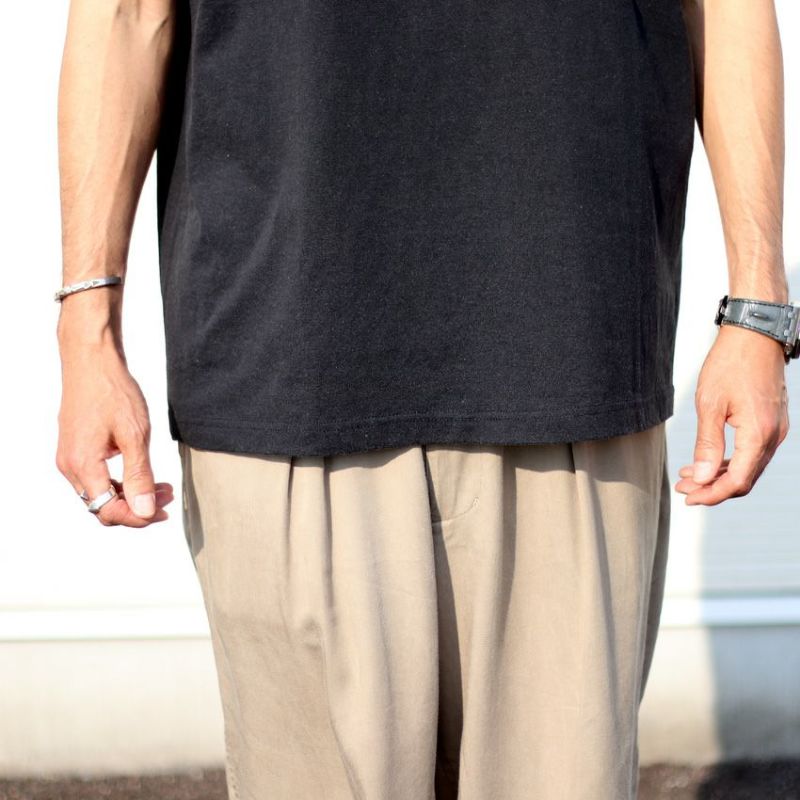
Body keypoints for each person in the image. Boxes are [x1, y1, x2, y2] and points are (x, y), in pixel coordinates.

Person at [54, 0, 793, 797]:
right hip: (285, 367)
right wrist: (87, 330)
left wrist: (759, 307)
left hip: (568, 354)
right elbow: (125, 15)